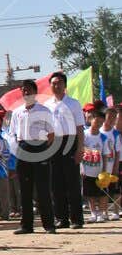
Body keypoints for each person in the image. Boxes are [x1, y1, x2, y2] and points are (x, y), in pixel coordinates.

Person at [9, 80, 56, 234]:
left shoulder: (44, 110)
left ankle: (49, 225)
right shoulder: (17, 112)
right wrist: (17, 151)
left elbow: (51, 134)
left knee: (43, 189)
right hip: (23, 148)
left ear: (35, 92)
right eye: (24, 90)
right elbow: (12, 134)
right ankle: (26, 225)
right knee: (25, 189)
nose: (26, 92)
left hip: (40, 147)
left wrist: (44, 150)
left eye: (29, 90)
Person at [46, 71, 85, 230]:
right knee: (56, 183)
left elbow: (80, 128)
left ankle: (77, 219)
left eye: (59, 83)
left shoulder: (73, 103)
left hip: (70, 142)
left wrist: (80, 148)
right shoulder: (47, 105)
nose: (56, 86)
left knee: (72, 182)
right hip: (53, 144)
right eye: (53, 83)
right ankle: (61, 218)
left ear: (65, 85)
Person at [81, 105, 109, 222]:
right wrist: (82, 168)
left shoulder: (103, 137)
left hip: (99, 170)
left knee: (101, 193)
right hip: (87, 170)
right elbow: (80, 151)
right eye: (96, 121)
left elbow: (105, 154)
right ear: (91, 119)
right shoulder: (84, 134)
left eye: (101, 122)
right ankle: (93, 213)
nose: (98, 124)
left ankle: (101, 214)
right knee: (90, 193)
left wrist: (105, 170)